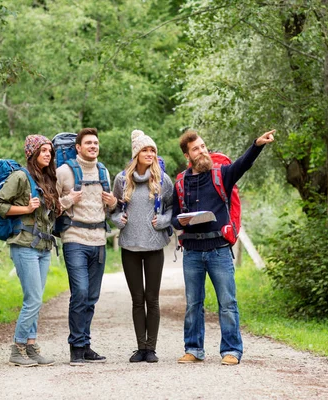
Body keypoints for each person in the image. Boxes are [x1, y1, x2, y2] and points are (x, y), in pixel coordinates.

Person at [171, 128, 275, 366]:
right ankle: (194, 349)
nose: (202, 151)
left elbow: (243, 164)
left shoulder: (222, 175)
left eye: (203, 146)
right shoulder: (181, 182)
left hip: (218, 249)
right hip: (192, 252)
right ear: (188, 156)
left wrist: (256, 145)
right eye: (196, 149)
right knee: (193, 303)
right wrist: (181, 221)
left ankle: (231, 350)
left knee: (227, 302)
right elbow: (175, 217)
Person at [0, 134, 60, 367]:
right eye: (43, 150)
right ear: (32, 153)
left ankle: (31, 347)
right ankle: (17, 347)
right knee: (33, 299)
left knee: (36, 300)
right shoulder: (20, 176)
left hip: (43, 247)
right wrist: (24, 208)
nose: (47, 154)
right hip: (23, 246)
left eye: (50, 151)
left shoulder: (46, 178)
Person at [110, 130, 173, 363]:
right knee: (137, 299)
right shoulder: (121, 180)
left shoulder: (163, 180)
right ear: (136, 154)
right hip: (130, 247)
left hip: (155, 246)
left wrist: (164, 221)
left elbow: (171, 209)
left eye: (152, 150)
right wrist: (118, 220)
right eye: (145, 150)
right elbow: (113, 209)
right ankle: (140, 347)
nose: (149, 154)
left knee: (152, 298)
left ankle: (151, 349)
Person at [56, 127, 118, 365]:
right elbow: (51, 206)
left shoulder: (103, 171)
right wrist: (68, 200)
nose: (93, 146)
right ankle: (76, 348)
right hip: (74, 239)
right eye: (88, 143)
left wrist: (112, 203)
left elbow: (109, 208)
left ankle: (85, 344)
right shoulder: (64, 172)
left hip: (99, 240)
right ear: (78, 148)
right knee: (80, 292)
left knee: (91, 296)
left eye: (96, 143)